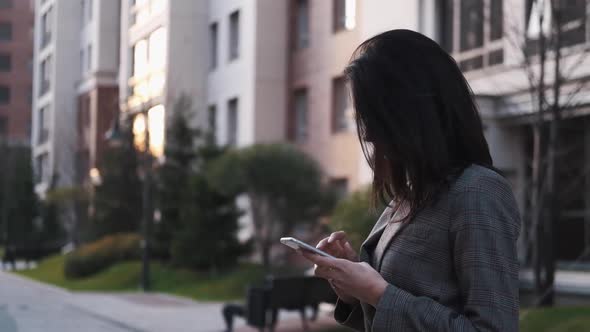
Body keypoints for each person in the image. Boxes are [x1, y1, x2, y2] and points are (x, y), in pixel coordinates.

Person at [300, 29, 521, 331]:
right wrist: (353, 286)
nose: (368, 134)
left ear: (412, 113)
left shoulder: (477, 192)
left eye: (375, 117)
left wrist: (378, 292)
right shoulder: (408, 195)